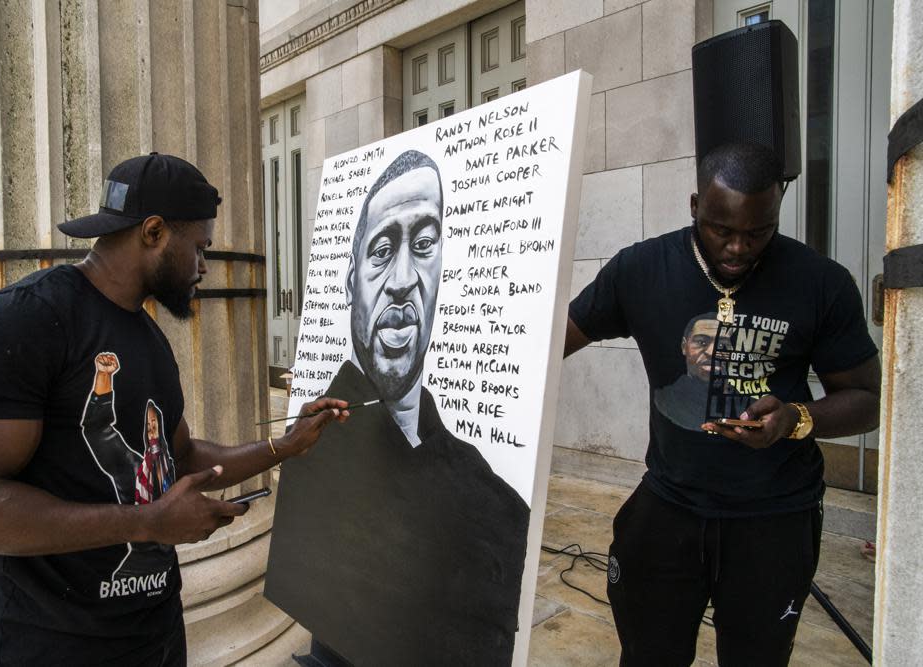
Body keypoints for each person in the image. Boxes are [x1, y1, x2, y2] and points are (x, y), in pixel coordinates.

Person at [0, 153, 349, 666]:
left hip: (153, 638)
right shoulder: (23, 321)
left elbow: (184, 456)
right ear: (153, 232)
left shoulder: (147, 337)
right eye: (199, 247)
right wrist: (146, 523)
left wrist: (287, 444)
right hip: (44, 647)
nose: (204, 267)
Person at [565, 142, 880, 666]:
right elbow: (552, 341)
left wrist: (796, 419)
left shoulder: (820, 282)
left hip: (775, 517)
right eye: (721, 230)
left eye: (758, 233)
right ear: (695, 206)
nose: (738, 248)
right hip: (668, 509)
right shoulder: (640, 270)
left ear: (776, 211)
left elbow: (867, 400)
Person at [266, 150, 531, 667]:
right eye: (383, 250)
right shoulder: (314, 444)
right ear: (349, 280)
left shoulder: (493, 503)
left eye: (425, 244)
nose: (404, 278)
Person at [652, 313, 744, 430]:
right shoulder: (664, 399)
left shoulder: (749, 405)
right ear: (684, 346)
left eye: (722, 344)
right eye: (701, 342)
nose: (712, 352)